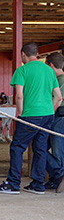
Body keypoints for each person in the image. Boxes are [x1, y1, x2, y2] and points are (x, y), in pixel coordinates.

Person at [0, 43, 62, 195]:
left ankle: (14, 183)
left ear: (23, 54)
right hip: (48, 115)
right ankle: (38, 185)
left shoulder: (22, 70)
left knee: (17, 148)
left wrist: (21, 114)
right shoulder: (49, 71)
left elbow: (19, 95)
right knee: (40, 149)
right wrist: (50, 110)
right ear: (37, 54)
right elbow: (59, 97)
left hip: (30, 115)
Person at [44, 52, 64, 191]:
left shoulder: (58, 81)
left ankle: (58, 176)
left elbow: (58, 99)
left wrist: (48, 116)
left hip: (59, 117)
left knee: (55, 151)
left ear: (51, 66)